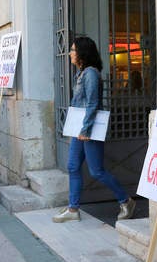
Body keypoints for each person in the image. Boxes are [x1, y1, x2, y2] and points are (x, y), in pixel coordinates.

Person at [53, 37, 136, 223]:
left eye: (73, 50)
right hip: (80, 128)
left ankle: (126, 201)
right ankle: (73, 209)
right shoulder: (82, 73)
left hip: (87, 129)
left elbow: (92, 104)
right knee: (73, 166)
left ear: (82, 53)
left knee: (96, 171)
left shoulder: (90, 73)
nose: (70, 53)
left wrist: (85, 129)